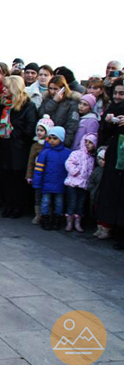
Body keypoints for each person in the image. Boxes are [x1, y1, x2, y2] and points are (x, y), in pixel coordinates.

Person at [0, 75, 37, 218]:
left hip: (19, 147)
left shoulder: (28, 105)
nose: (4, 89)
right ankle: (8, 205)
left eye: (7, 87)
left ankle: (17, 206)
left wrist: (15, 130)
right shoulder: (4, 104)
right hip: (5, 146)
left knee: (17, 179)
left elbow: (31, 128)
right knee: (6, 178)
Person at [97, 77, 124, 248]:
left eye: (122, 93)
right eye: (115, 93)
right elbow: (103, 134)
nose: (118, 96)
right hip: (114, 157)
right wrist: (107, 123)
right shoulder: (111, 109)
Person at [33, 126, 71, 230]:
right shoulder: (45, 152)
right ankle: (45, 218)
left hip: (60, 183)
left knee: (59, 202)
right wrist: (37, 182)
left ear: (61, 139)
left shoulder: (68, 153)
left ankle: (57, 220)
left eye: (55, 138)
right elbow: (38, 169)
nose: (52, 141)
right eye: (50, 138)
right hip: (47, 183)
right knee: (45, 202)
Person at [64, 133, 97, 232]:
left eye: (90, 143)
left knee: (80, 204)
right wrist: (75, 171)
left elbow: (91, 171)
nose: (87, 144)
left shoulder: (92, 159)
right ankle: (69, 222)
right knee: (72, 202)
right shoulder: (77, 153)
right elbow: (68, 162)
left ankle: (77, 222)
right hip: (73, 183)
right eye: (86, 142)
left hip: (83, 185)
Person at [27, 115, 55, 224]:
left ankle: (48, 214)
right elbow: (30, 162)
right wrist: (29, 175)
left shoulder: (50, 146)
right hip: (37, 175)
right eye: (38, 130)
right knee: (38, 196)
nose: (39, 132)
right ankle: (38, 214)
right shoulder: (35, 146)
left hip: (48, 176)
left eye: (42, 130)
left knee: (48, 196)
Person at [38, 75, 80, 148]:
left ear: (63, 89)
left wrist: (65, 143)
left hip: (61, 142)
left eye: (55, 89)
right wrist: (54, 101)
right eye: (50, 88)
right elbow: (41, 114)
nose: (52, 91)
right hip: (46, 140)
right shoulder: (47, 99)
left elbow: (72, 125)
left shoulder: (71, 103)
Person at [89, 147, 108, 238]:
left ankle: (105, 230)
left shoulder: (109, 172)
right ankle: (99, 228)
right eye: (100, 159)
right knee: (96, 211)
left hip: (105, 196)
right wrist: (91, 189)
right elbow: (91, 180)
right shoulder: (97, 170)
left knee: (104, 213)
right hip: (96, 194)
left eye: (104, 160)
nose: (101, 161)